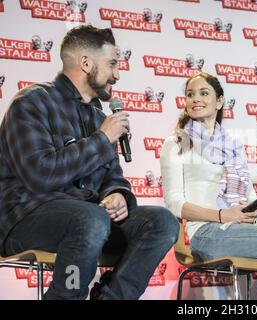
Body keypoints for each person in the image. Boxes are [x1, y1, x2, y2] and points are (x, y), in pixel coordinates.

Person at [0, 25, 179, 300]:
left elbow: (113, 177)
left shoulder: (98, 116)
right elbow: (40, 174)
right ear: (85, 63)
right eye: (112, 64)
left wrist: (116, 194)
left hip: (89, 220)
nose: (117, 75)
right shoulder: (32, 102)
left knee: (161, 222)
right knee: (90, 217)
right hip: (26, 217)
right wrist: (102, 138)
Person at [160, 72, 257, 300]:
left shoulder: (232, 146)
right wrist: (224, 215)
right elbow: (174, 204)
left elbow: (249, 193)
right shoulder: (176, 144)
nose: (196, 99)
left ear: (220, 101)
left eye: (204, 93)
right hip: (205, 232)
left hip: (239, 224)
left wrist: (250, 210)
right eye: (190, 94)